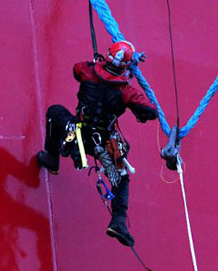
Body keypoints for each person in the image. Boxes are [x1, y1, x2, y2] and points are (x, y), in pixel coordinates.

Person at [36, 40, 158, 247]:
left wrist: (97, 66)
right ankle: (119, 221)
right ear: (125, 66)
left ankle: (52, 158)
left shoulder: (87, 70)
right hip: (104, 144)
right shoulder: (126, 91)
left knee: (55, 112)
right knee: (121, 178)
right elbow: (151, 112)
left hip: (77, 135)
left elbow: (76, 70)